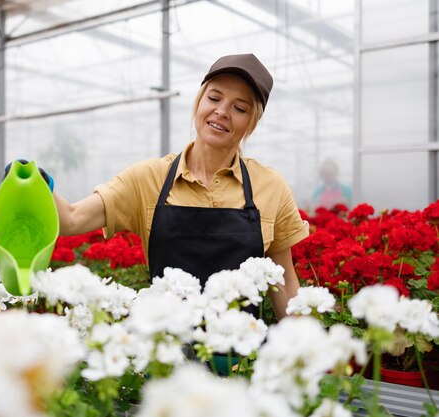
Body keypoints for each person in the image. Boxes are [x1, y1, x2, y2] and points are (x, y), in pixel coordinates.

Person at [24, 54, 309, 320]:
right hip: (166, 352)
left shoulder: (270, 187)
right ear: (198, 102)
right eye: (214, 97)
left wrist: (305, 355)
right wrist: (36, 184)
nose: (222, 111)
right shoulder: (148, 179)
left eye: (239, 108)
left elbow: (284, 285)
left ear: (252, 122)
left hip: (239, 360)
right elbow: (72, 219)